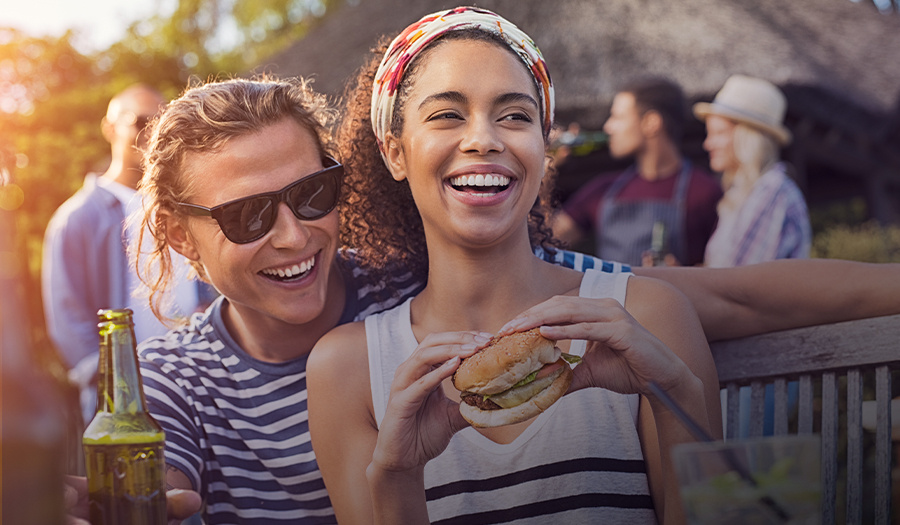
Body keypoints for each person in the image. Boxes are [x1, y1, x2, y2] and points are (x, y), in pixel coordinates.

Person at [307, 8, 721, 523]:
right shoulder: (346, 371)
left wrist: (676, 395)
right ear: (395, 152)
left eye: (515, 116)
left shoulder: (648, 317)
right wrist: (396, 476)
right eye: (446, 115)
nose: (485, 139)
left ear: (543, 148)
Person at [41, 84, 214, 422]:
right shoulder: (77, 218)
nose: (152, 132)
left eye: (162, 122)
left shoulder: (186, 206)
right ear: (109, 128)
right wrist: (117, 380)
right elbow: (68, 319)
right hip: (124, 405)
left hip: (197, 387)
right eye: (140, 120)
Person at [553, 77, 722, 266]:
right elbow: (545, 241)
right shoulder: (603, 190)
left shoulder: (705, 192)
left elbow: (722, 270)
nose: (608, 127)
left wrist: (681, 274)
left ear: (651, 122)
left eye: (617, 117)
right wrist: (544, 171)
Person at [694, 74, 812, 267]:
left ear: (748, 138)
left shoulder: (772, 191)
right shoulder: (743, 194)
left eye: (719, 133)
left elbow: (733, 283)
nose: (708, 144)